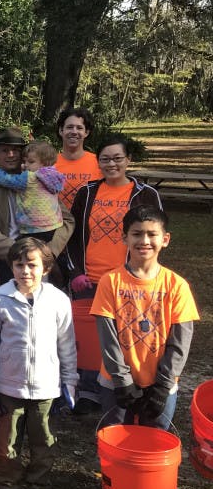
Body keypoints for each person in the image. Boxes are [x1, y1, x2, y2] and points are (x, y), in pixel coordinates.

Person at [60, 135, 162, 412]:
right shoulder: (87, 191)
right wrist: (75, 272)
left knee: (123, 335)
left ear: (128, 160)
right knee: (90, 338)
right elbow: (71, 236)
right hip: (90, 279)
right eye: (105, 159)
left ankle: (122, 388)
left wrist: (142, 273)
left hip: (126, 279)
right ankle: (88, 392)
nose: (111, 164)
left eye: (117, 158)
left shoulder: (145, 194)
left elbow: (153, 237)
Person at [0, 238, 77, 489]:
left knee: (43, 442)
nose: (25, 271)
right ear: (11, 266)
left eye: (32, 264)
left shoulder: (59, 301)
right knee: (8, 444)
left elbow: (67, 346)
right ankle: (6, 488)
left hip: (46, 388)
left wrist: (69, 383)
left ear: (45, 268)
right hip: (9, 386)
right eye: (19, 264)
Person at [92, 206, 199, 430]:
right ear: (124, 238)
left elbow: (180, 343)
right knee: (118, 444)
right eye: (137, 233)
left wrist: (162, 385)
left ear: (165, 239)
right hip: (116, 384)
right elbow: (107, 337)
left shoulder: (176, 285)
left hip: (161, 386)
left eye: (152, 234)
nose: (145, 240)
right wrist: (123, 381)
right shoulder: (109, 282)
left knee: (154, 446)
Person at [0, 127, 74, 294]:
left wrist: (50, 250)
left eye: (15, 150)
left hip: (40, 256)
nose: (11, 154)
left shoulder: (40, 180)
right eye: (5, 150)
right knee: (5, 311)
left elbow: (67, 220)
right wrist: (17, 252)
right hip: (3, 259)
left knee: (40, 308)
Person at [0, 140, 65, 241]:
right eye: (24, 161)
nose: (25, 165)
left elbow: (7, 180)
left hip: (34, 229)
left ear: (44, 163)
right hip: (54, 226)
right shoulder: (54, 176)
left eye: (31, 162)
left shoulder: (30, 177)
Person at [54, 107, 102, 209]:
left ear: (86, 132)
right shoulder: (49, 163)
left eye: (79, 128)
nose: (74, 132)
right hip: (56, 223)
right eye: (69, 127)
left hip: (87, 222)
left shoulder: (98, 162)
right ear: (61, 131)